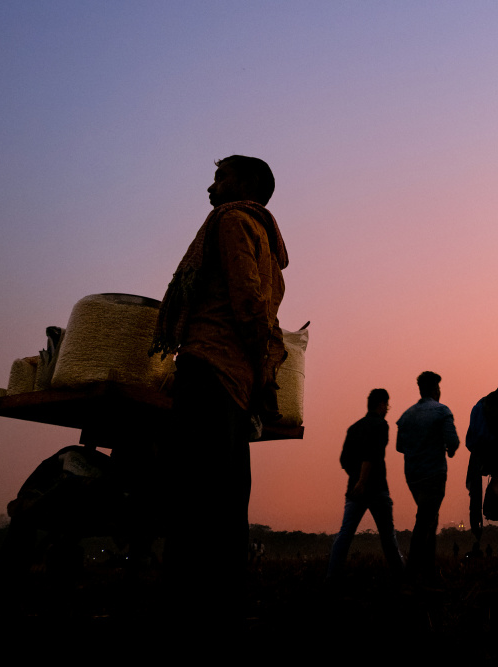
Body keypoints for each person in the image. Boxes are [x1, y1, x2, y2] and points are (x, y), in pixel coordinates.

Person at [151, 155, 288, 628]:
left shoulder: (230, 222)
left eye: (219, 177)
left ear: (247, 184)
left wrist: (257, 364)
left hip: (208, 367)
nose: (210, 189)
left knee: (193, 496)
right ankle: (224, 603)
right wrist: (262, 375)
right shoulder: (269, 243)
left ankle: (186, 606)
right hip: (238, 381)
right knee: (228, 498)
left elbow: (249, 302)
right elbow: (263, 312)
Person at [326, 389, 404, 582]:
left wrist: (356, 478)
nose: (387, 409)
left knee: (345, 534)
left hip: (354, 490)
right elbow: (373, 454)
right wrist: (363, 480)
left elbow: (344, 460)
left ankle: (332, 578)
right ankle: (401, 577)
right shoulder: (380, 425)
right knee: (387, 536)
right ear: (381, 405)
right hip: (376, 488)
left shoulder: (354, 428)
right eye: (387, 405)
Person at [396, 371, 459, 581]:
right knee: (424, 521)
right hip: (434, 474)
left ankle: (428, 570)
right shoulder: (442, 411)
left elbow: (399, 447)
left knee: (430, 518)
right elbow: (453, 441)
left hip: (413, 476)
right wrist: (448, 450)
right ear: (435, 389)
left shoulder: (406, 416)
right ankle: (412, 573)